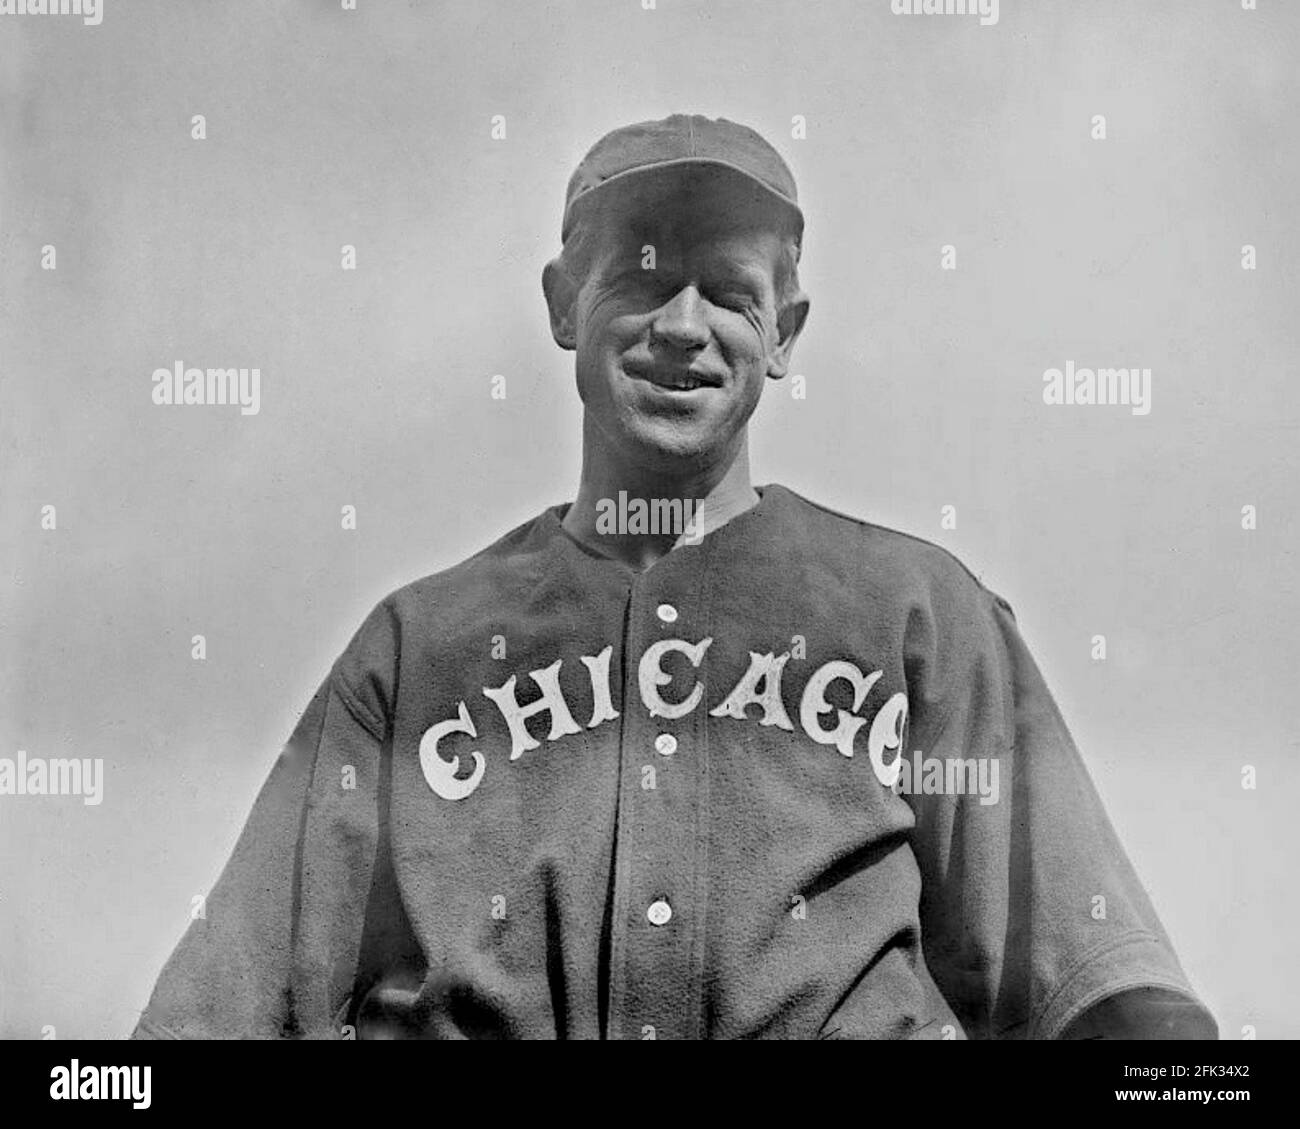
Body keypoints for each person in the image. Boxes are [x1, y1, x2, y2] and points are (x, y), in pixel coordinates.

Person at [133, 114, 1215, 1040]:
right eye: (642, 280)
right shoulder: (419, 648)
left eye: (729, 294)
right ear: (565, 305)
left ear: (783, 332)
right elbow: (209, 1015)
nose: (683, 327)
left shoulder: (918, 614)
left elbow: (1108, 997)